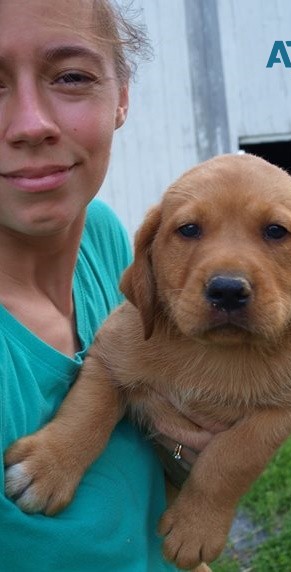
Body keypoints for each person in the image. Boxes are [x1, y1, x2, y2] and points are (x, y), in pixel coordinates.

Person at [0, 1, 217, 570]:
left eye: (71, 76)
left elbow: (158, 458)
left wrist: (187, 449)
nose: (30, 124)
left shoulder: (107, 241)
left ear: (121, 96)